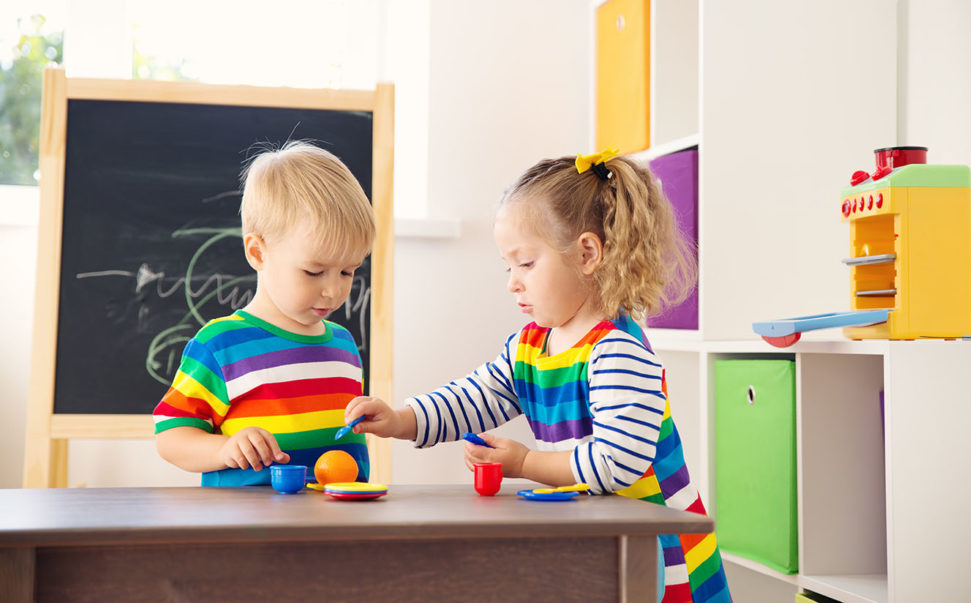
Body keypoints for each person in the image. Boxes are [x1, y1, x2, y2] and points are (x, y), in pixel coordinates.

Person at [345, 148, 730, 602]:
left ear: (588, 253)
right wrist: (400, 419)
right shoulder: (531, 346)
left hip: (656, 550)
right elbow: (474, 398)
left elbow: (617, 463)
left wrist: (525, 464)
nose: (512, 281)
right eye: (508, 266)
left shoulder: (618, 351)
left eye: (525, 263)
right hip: (604, 536)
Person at [153, 141, 376, 487]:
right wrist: (225, 448)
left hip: (335, 529)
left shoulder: (344, 345)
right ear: (258, 253)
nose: (334, 290)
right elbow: (170, 436)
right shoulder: (220, 344)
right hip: (249, 532)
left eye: (348, 271)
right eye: (313, 272)